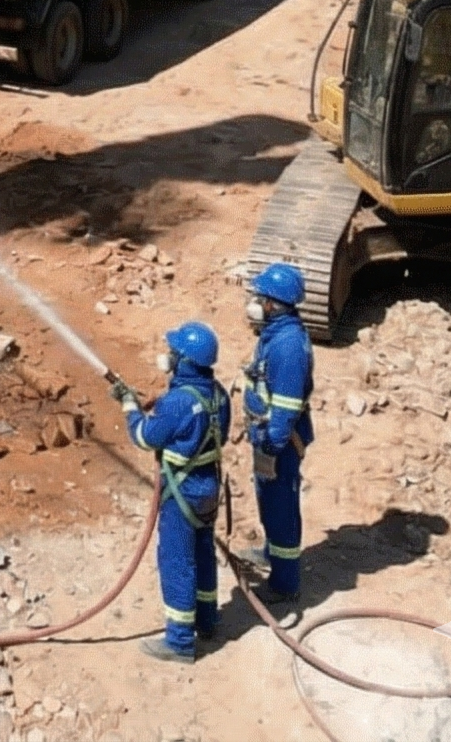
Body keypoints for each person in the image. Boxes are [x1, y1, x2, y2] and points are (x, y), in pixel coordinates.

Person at [111, 321, 230, 663]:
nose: (169, 357)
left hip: (182, 493)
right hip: (209, 488)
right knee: (204, 552)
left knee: (177, 561)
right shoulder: (217, 394)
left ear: (186, 361)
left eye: (174, 353)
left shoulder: (178, 403)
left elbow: (146, 437)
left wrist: (130, 408)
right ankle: (207, 621)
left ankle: (179, 642)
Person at [242, 261, 315, 608]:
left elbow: (285, 407)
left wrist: (271, 444)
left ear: (275, 303)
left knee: (281, 507)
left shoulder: (287, 347)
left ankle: (285, 584)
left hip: (280, 442)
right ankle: (273, 552)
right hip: (269, 437)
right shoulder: (276, 335)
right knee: (269, 503)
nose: (255, 303)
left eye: (261, 297)